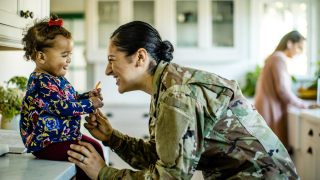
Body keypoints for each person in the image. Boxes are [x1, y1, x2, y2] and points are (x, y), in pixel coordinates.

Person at [68, 21, 299, 180]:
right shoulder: (165, 85)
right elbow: (162, 157)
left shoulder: (177, 95)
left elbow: (170, 177)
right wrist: (112, 138)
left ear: (140, 57)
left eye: (112, 60)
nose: (108, 71)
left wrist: (103, 173)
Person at [20, 15, 105, 180]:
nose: (69, 59)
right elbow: (60, 107)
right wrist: (89, 104)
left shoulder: (56, 78)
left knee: (95, 147)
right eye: (64, 54)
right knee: (87, 157)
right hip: (45, 143)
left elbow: (69, 98)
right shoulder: (40, 83)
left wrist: (87, 96)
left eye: (70, 53)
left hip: (62, 137)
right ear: (41, 57)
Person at [254, 31, 319, 149]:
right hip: (270, 110)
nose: (299, 52)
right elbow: (283, 91)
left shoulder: (274, 57)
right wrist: (305, 105)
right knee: (272, 154)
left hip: (265, 108)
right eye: (299, 47)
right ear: (290, 44)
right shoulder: (279, 58)